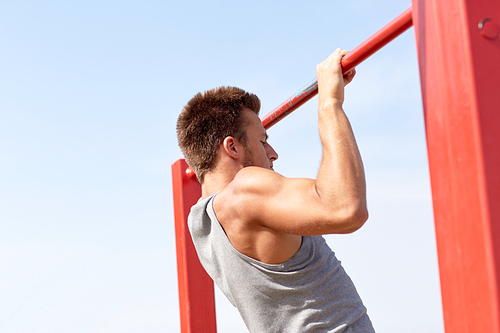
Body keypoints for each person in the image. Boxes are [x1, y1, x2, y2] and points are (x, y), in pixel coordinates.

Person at [176, 48, 375, 333]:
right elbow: (346, 208)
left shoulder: (200, 223)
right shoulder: (243, 192)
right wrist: (330, 102)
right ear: (231, 147)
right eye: (262, 140)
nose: (273, 153)